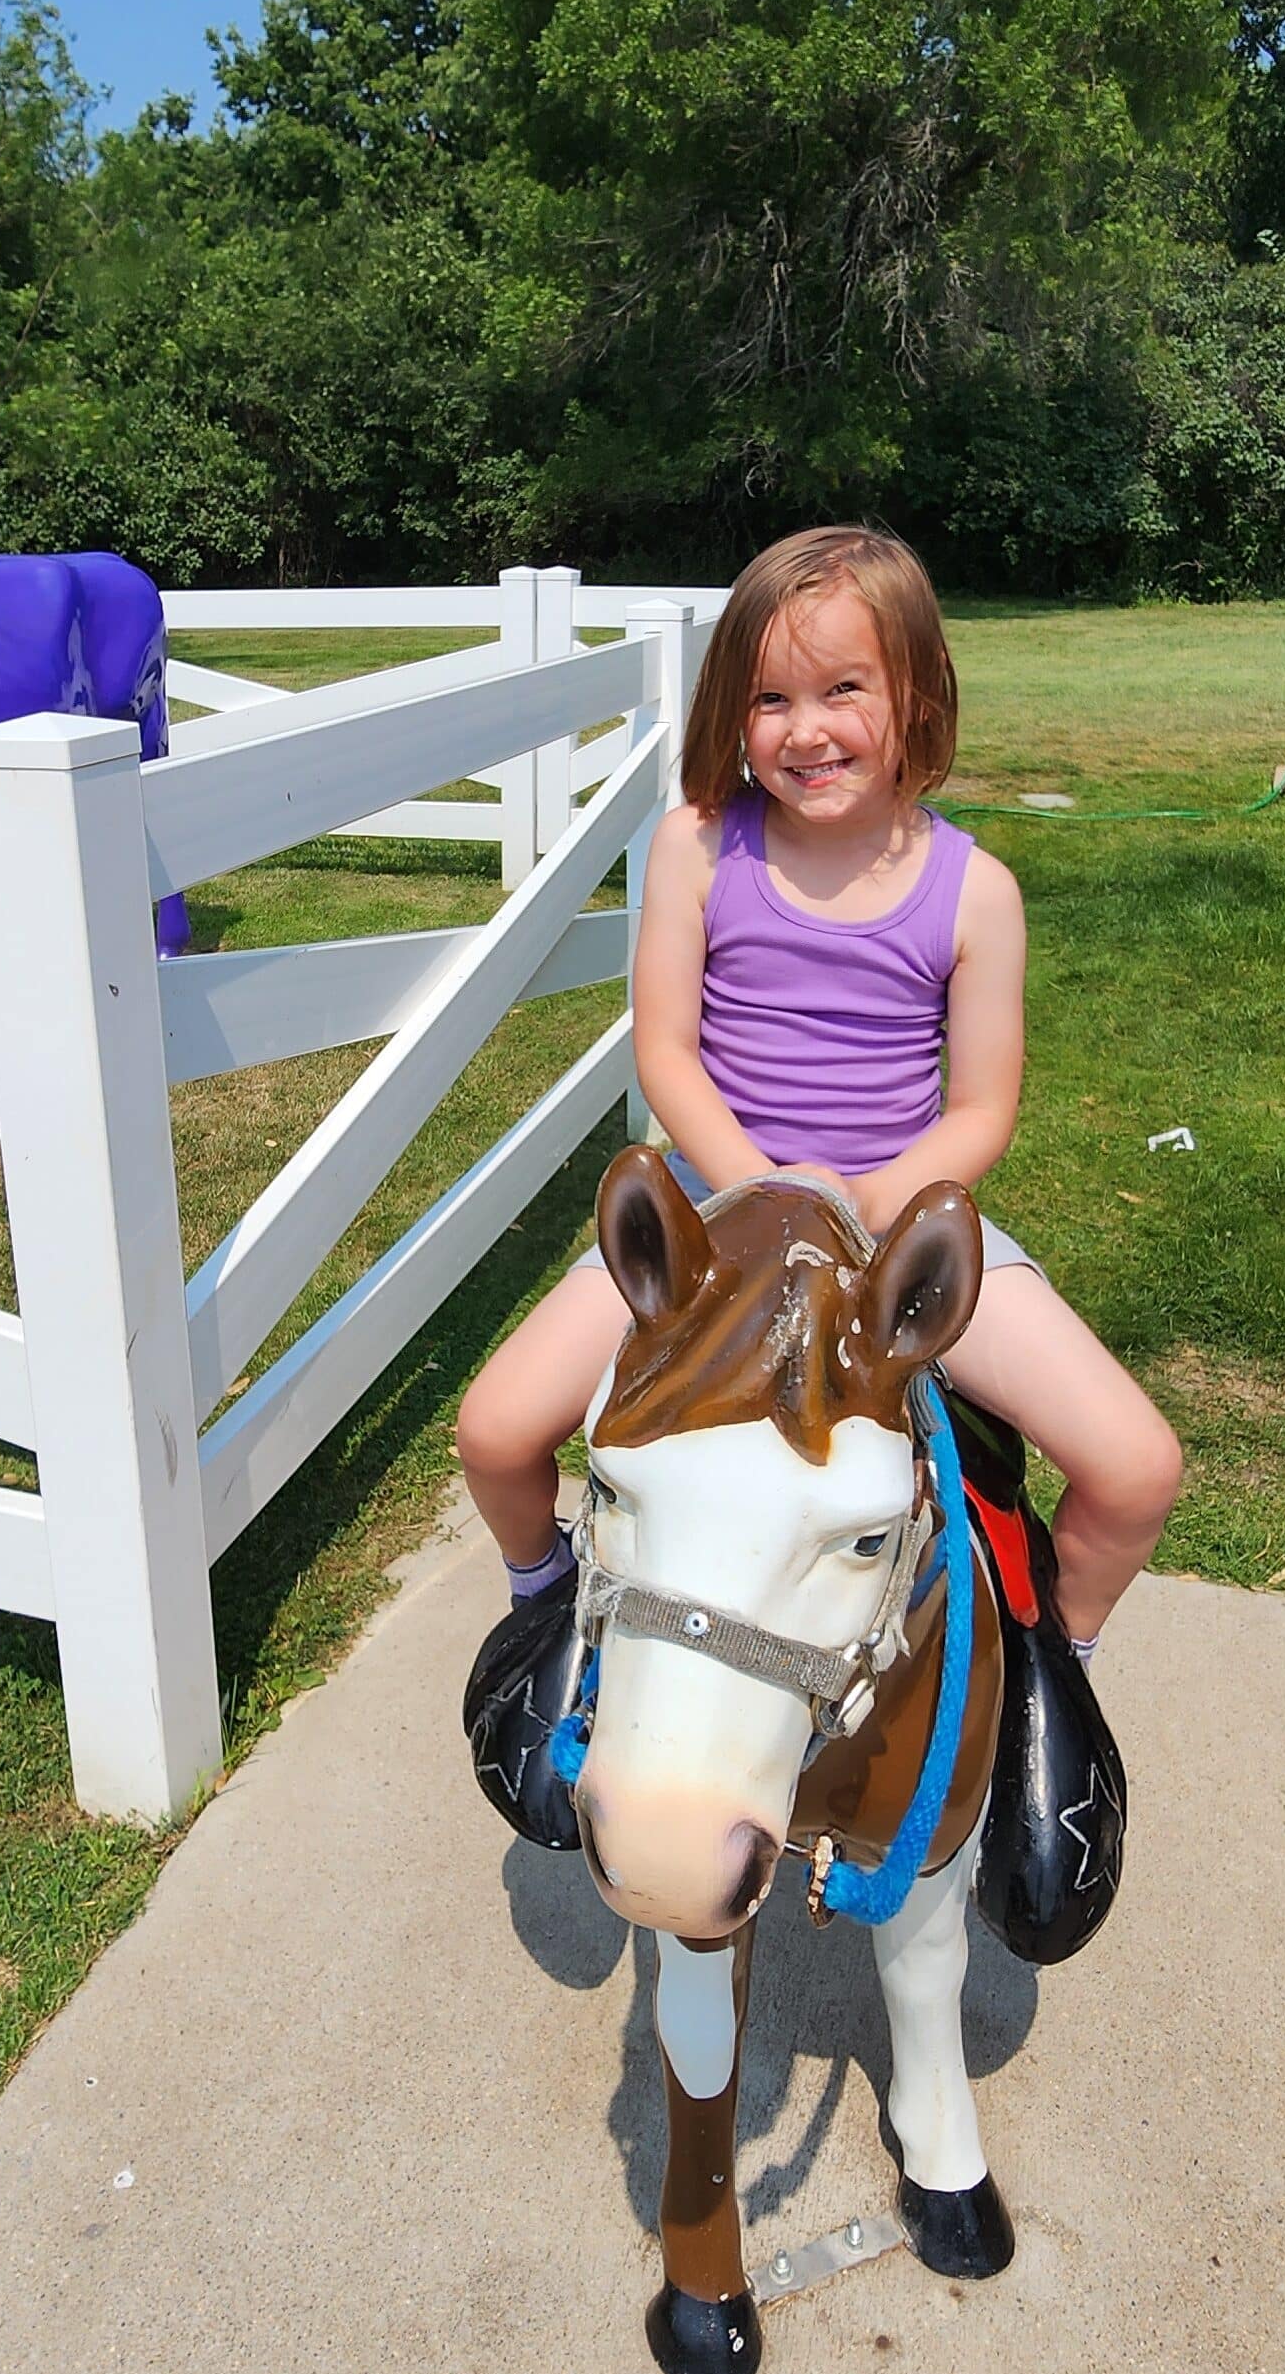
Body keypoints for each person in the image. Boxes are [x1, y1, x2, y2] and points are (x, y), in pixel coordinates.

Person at [456, 524, 1181, 1663]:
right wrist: (770, 1195)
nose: (803, 729)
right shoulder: (697, 846)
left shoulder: (974, 894)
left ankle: (1050, 1671)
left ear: (916, 696)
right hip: (708, 1219)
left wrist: (860, 1207)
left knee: (1135, 1467)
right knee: (495, 1430)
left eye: (841, 688)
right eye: (767, 698)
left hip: (893, 1225)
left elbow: (980, 1109)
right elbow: (665, 1055)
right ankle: (546, 1598)